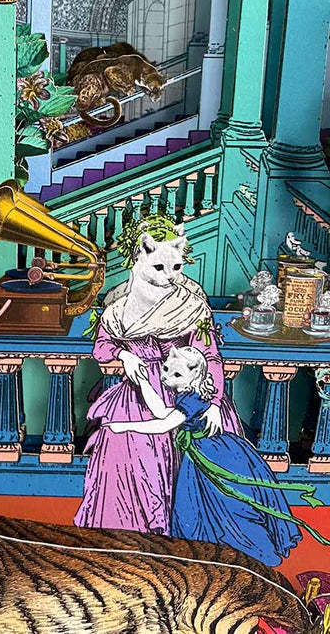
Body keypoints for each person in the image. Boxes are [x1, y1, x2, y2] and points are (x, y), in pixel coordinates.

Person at [75, 215, 242, 534]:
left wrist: (214, 403)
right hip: (138, 392)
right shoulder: (118, 304)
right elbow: (102, 347)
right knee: (130, 456)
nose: (170, 277)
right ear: (140, 257)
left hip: (184, 391)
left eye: (176, 267)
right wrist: (124, 354)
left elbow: (209, 355)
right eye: (160, 268)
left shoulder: (191, 304)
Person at [107, 347, 328, 565]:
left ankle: (251, 556)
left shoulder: (193, 399)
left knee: (227, 507)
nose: (166, 377)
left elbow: (165, 423)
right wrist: (144, 382)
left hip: (214, 454)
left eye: (176, 374)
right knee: (201, 507)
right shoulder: (187, 393)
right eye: (166, 370)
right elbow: (162, 412)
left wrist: (125, 426)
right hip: (200, 454)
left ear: (195, 374)